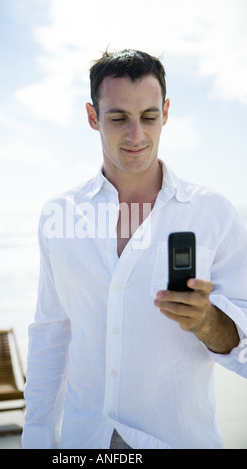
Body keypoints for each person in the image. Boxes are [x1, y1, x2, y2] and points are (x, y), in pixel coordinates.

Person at [22, 49, 247, 449]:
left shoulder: (212, 213)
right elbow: (51, 334)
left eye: (148, 117)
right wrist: (38, 438)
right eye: (118, 118)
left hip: (179, 440)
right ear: (93, 117)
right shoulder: (59, 214)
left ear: (166, 112)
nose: (136, 136)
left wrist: (207, 322)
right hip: (83, 441)